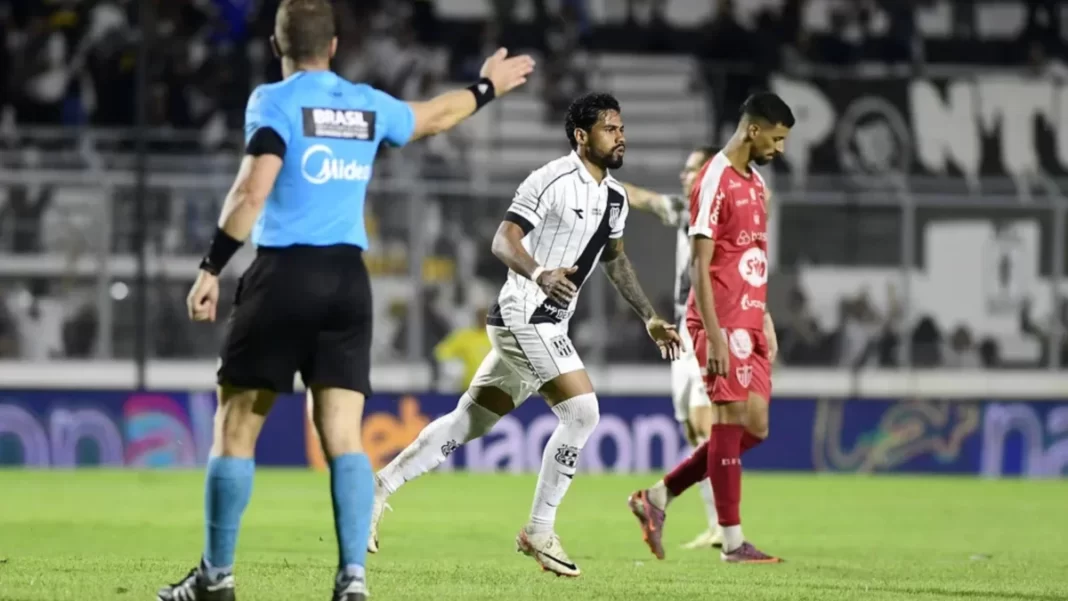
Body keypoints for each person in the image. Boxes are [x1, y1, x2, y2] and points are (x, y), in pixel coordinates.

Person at [159, 1, 534, 599]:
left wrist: (211, 267)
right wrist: (487, 86)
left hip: (283, 273)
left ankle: (216, 578)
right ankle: (352, 579)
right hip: (346, 282)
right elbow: (433, 116)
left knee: (235, 430)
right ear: (333, 46)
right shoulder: (362, 104)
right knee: (342, 435)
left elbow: (252, 190)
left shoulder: (273, 101)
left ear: (279, 47)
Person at [367, 92, 682, 577]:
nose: (621, 136)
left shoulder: (614, 197)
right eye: (610, 128)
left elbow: (615, 258)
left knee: (465, 424)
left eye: (621, 128)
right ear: (582, 136)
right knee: (582, 412)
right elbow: (502, 240)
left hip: (548, 322)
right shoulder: (550, 179)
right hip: (523, 314)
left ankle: (378, 487)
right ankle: (538, 529)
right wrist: (539, 274)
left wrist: (648, 316)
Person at [627, 92, 794, 564]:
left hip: (751, 318)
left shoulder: (757, 182)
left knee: (755, 426)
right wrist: (716, 335)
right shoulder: (712, 179)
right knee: (723, 424)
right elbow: (701, 264)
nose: (780, 149)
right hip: (718, 322)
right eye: (777, 138)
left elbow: (752, 254)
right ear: (754, 130)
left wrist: (763, 316)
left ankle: (657, 497)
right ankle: (734, 542)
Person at [620, 145, 724, 550]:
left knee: (706, 427)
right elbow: (643, 198)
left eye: (692, 170)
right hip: (681, 330)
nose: (684, 176)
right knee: (691, 429)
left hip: (702, 328)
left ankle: (726, 525)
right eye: (683, 170)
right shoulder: (684, 210)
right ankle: (716, 522)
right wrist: (598, 180)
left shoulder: (719, 214)